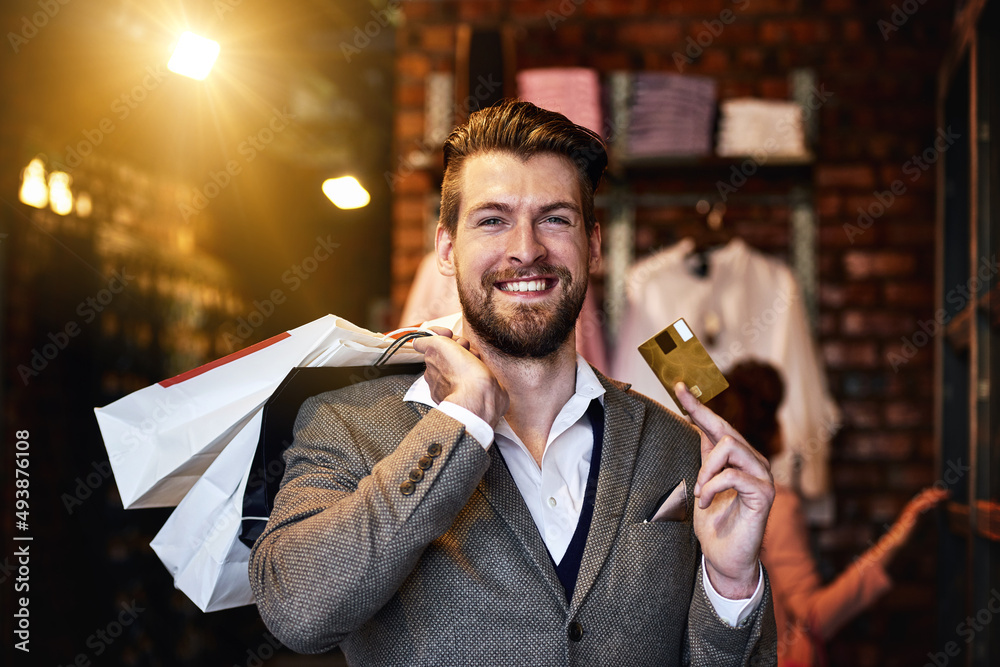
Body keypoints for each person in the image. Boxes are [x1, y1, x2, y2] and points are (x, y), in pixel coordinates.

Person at [249, 100, 778, 665]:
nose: (526, 249)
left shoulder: (675, 447)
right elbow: (298, 612)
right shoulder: (347, 424)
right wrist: (462, 421)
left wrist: (731, 582)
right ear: (448, 250)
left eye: (555, 218)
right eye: (493, 219)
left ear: (593, 245)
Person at [708, 360, 948, 666]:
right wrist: (896, 540)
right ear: (770, 428)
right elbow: (814, 617)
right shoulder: (773, 503)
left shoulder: (701, 498)